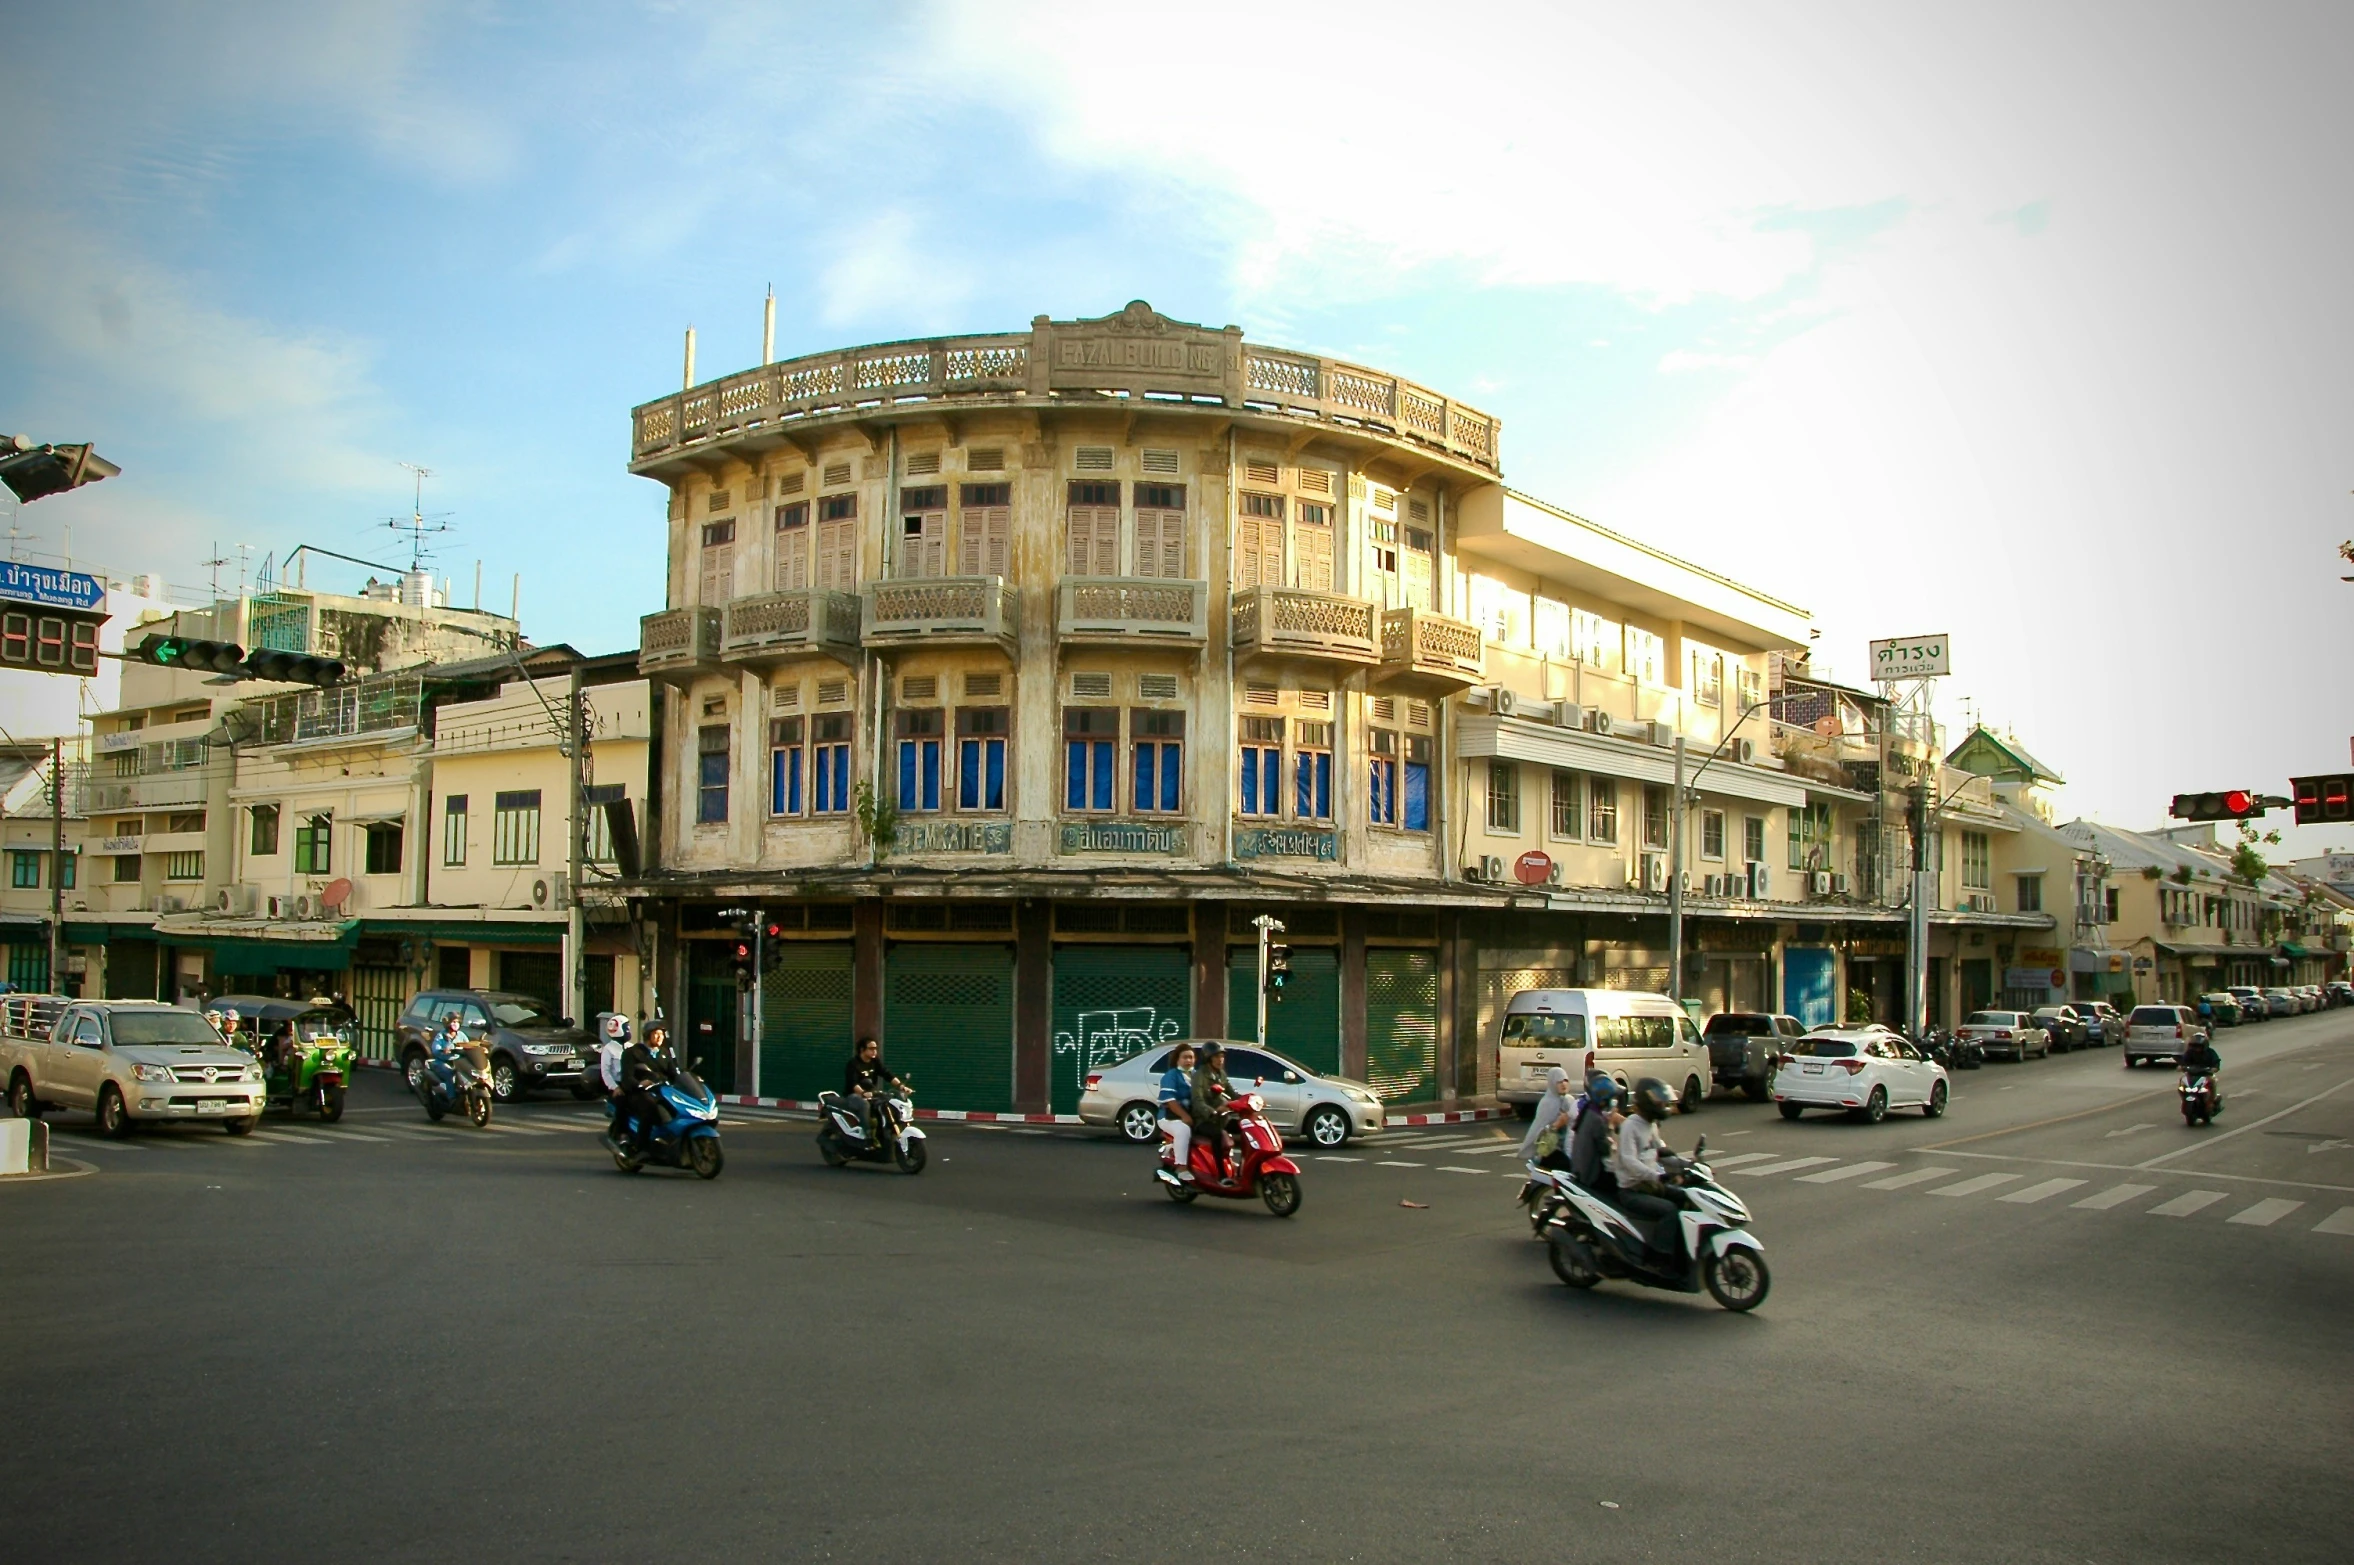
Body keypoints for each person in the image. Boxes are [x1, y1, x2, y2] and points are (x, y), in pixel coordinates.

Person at [1609, 1078, 1684, 1259]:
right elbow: (1629, 1161)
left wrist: (1689, 1165)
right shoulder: (1630, 1127)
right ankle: (1659, 1255)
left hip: (1650, 1184)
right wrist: (1657, 1176)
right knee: (1669, 1211)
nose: (1663, 1105)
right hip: (1633, 1190)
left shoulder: (1651, 1124)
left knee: (1686, 1197)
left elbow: (1660, 1151)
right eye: (1659, 1102)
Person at [615, 1023, 671, 1151]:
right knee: (651, 1108)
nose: (660, 1037)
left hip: (662, 1091)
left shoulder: (664, 1053)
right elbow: (627, 1078)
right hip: (638, 1092)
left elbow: (673, 1073)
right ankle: (641, 1148)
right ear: (647, 1035)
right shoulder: (633, 1053)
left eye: (661, 1034)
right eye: (656, 1034)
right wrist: (640, 1084)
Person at [843, 1036, 903, 1147]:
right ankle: (868, 1135)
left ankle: (885, 1133)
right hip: (854, 1096)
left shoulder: (875, 1061)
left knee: (888, 1102)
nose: (874, 1051)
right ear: (862, 1049)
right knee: (865, 1105)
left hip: (871, 1093)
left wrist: (901, 1086)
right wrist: (862, 1093)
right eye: (871, 1048)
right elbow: (853, 1083)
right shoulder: (853, 1064)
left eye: (875, 1048)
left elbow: (887, 1074)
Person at [1568, 1075, 1622, 1194]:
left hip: (1579, 1168)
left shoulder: (1588, 1110)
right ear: (1603, 1099)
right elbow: (1606, 1149)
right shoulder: (1597, 1120)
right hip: (1590, 1175)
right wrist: (1611, 1126)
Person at [1191, 1044, 1237, 1176]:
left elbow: (1232, 1093)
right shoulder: (1200, 1076)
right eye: (1217, 1056)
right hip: (1204, 1120)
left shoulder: (1221, 1074)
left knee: (1243, 1127)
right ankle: (1221, 1174)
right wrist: (1212, 1111)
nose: (1220, 1060)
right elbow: (1197, 1100)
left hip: (1221, 1119)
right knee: (1218, 1135)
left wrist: (1249, 1100)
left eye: (1222, 1056)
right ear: (1208, 1058)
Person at [1518, 1066, 1575, 1167]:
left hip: (1570, 1147)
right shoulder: (1547, 1103)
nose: (1563, 1084)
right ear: (1552, 1083)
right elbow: (1539, 1131)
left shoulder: (1570, 1100)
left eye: (1565, 1080)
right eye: (1559, 1082)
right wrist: (1557, 1124)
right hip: (1551, 1150)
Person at [1157, 1043, 1199, 1180]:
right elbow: (1171, 1102)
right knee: (1183, 1130)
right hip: (1170, 1118)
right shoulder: (1171, 1076)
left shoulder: (1197, 1075)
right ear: (1177, 1060)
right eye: (1185, 1057)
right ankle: (1181, 1168)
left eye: (1191, 1057)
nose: (1188, 1061)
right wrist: (1185, 1116)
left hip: (1192, 1114)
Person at [596, 1015, 632, 1152]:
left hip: (631, 1083)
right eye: (626, 1028)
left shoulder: (632, 1047)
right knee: (623, 1103)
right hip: (617, 1086)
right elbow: (605, 1072)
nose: (628, 1030)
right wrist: (614, 1087)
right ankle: (622, 1134)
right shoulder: (609, 1049)